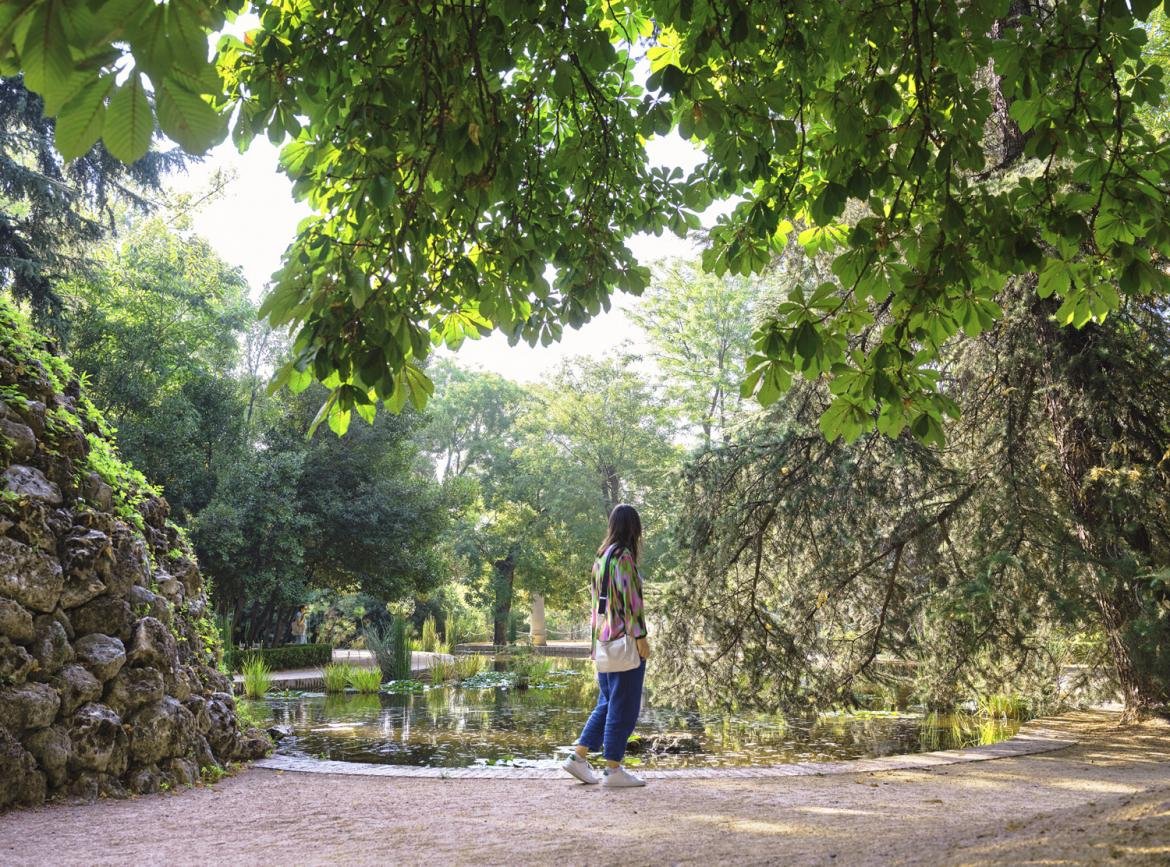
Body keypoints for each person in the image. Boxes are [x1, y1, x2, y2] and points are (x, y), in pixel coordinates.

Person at [562, 503, 650, 788]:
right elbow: (632, 604)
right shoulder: (624, 558)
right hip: (625, 642)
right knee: (623, 707)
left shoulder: (601, 558)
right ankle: (613, 770)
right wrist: (642, 638)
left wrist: (594, 645)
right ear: (634, 528)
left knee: (608, 703)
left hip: (604, 642)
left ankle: (578, 757)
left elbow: (596, 608)